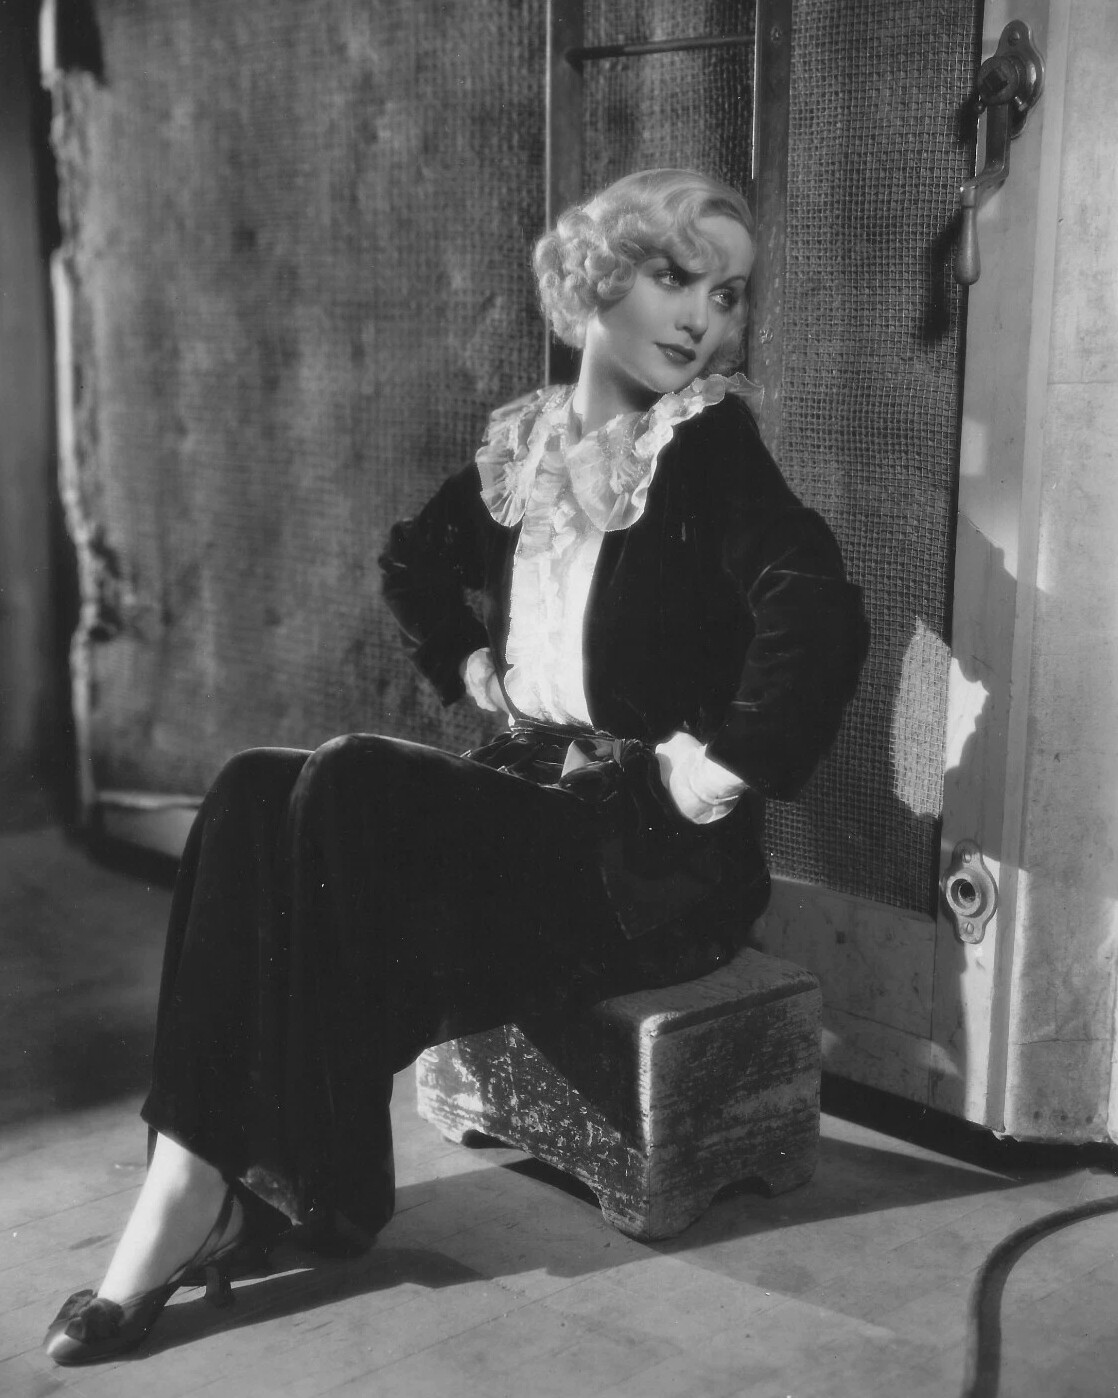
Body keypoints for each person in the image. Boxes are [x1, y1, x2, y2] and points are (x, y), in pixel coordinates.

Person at [44, 168, 867, 1365]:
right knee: (251, 788)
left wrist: (718, 767)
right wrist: (469, 663)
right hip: (532, 804)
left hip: (647, 854)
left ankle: (283, 1187)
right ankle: (192, 1182)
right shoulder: (528, 445)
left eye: (727, 293)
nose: (702, 317)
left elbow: (813, 603)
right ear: (597, 281)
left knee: (351, 780)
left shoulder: (704, 444)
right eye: (673, 277)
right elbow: (411, 563)